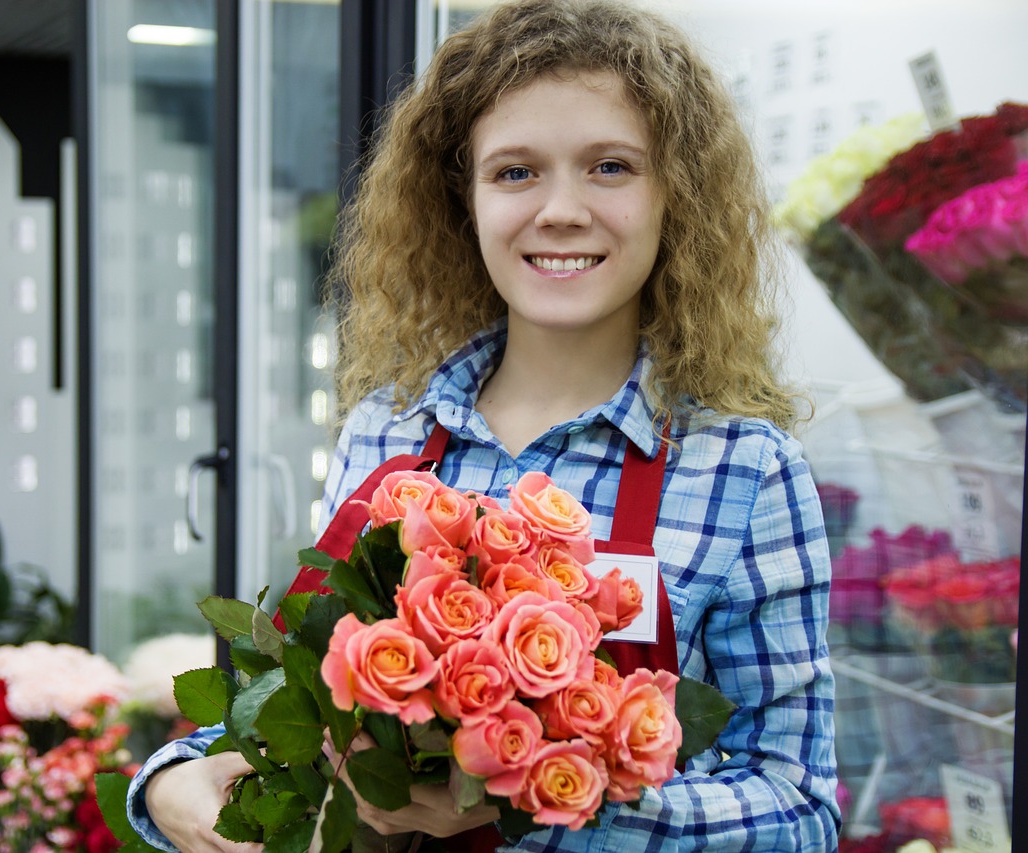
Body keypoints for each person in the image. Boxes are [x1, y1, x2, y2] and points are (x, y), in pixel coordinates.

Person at [127, 0, 841, 850]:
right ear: (461, 200)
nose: (561, 209)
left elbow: (800, 808)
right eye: (515, 171)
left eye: (610, 166)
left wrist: (546, 803)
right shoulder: (384, 434)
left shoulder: (744, 468)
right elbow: (298, 704)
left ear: (675, 195)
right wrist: (168, 782)